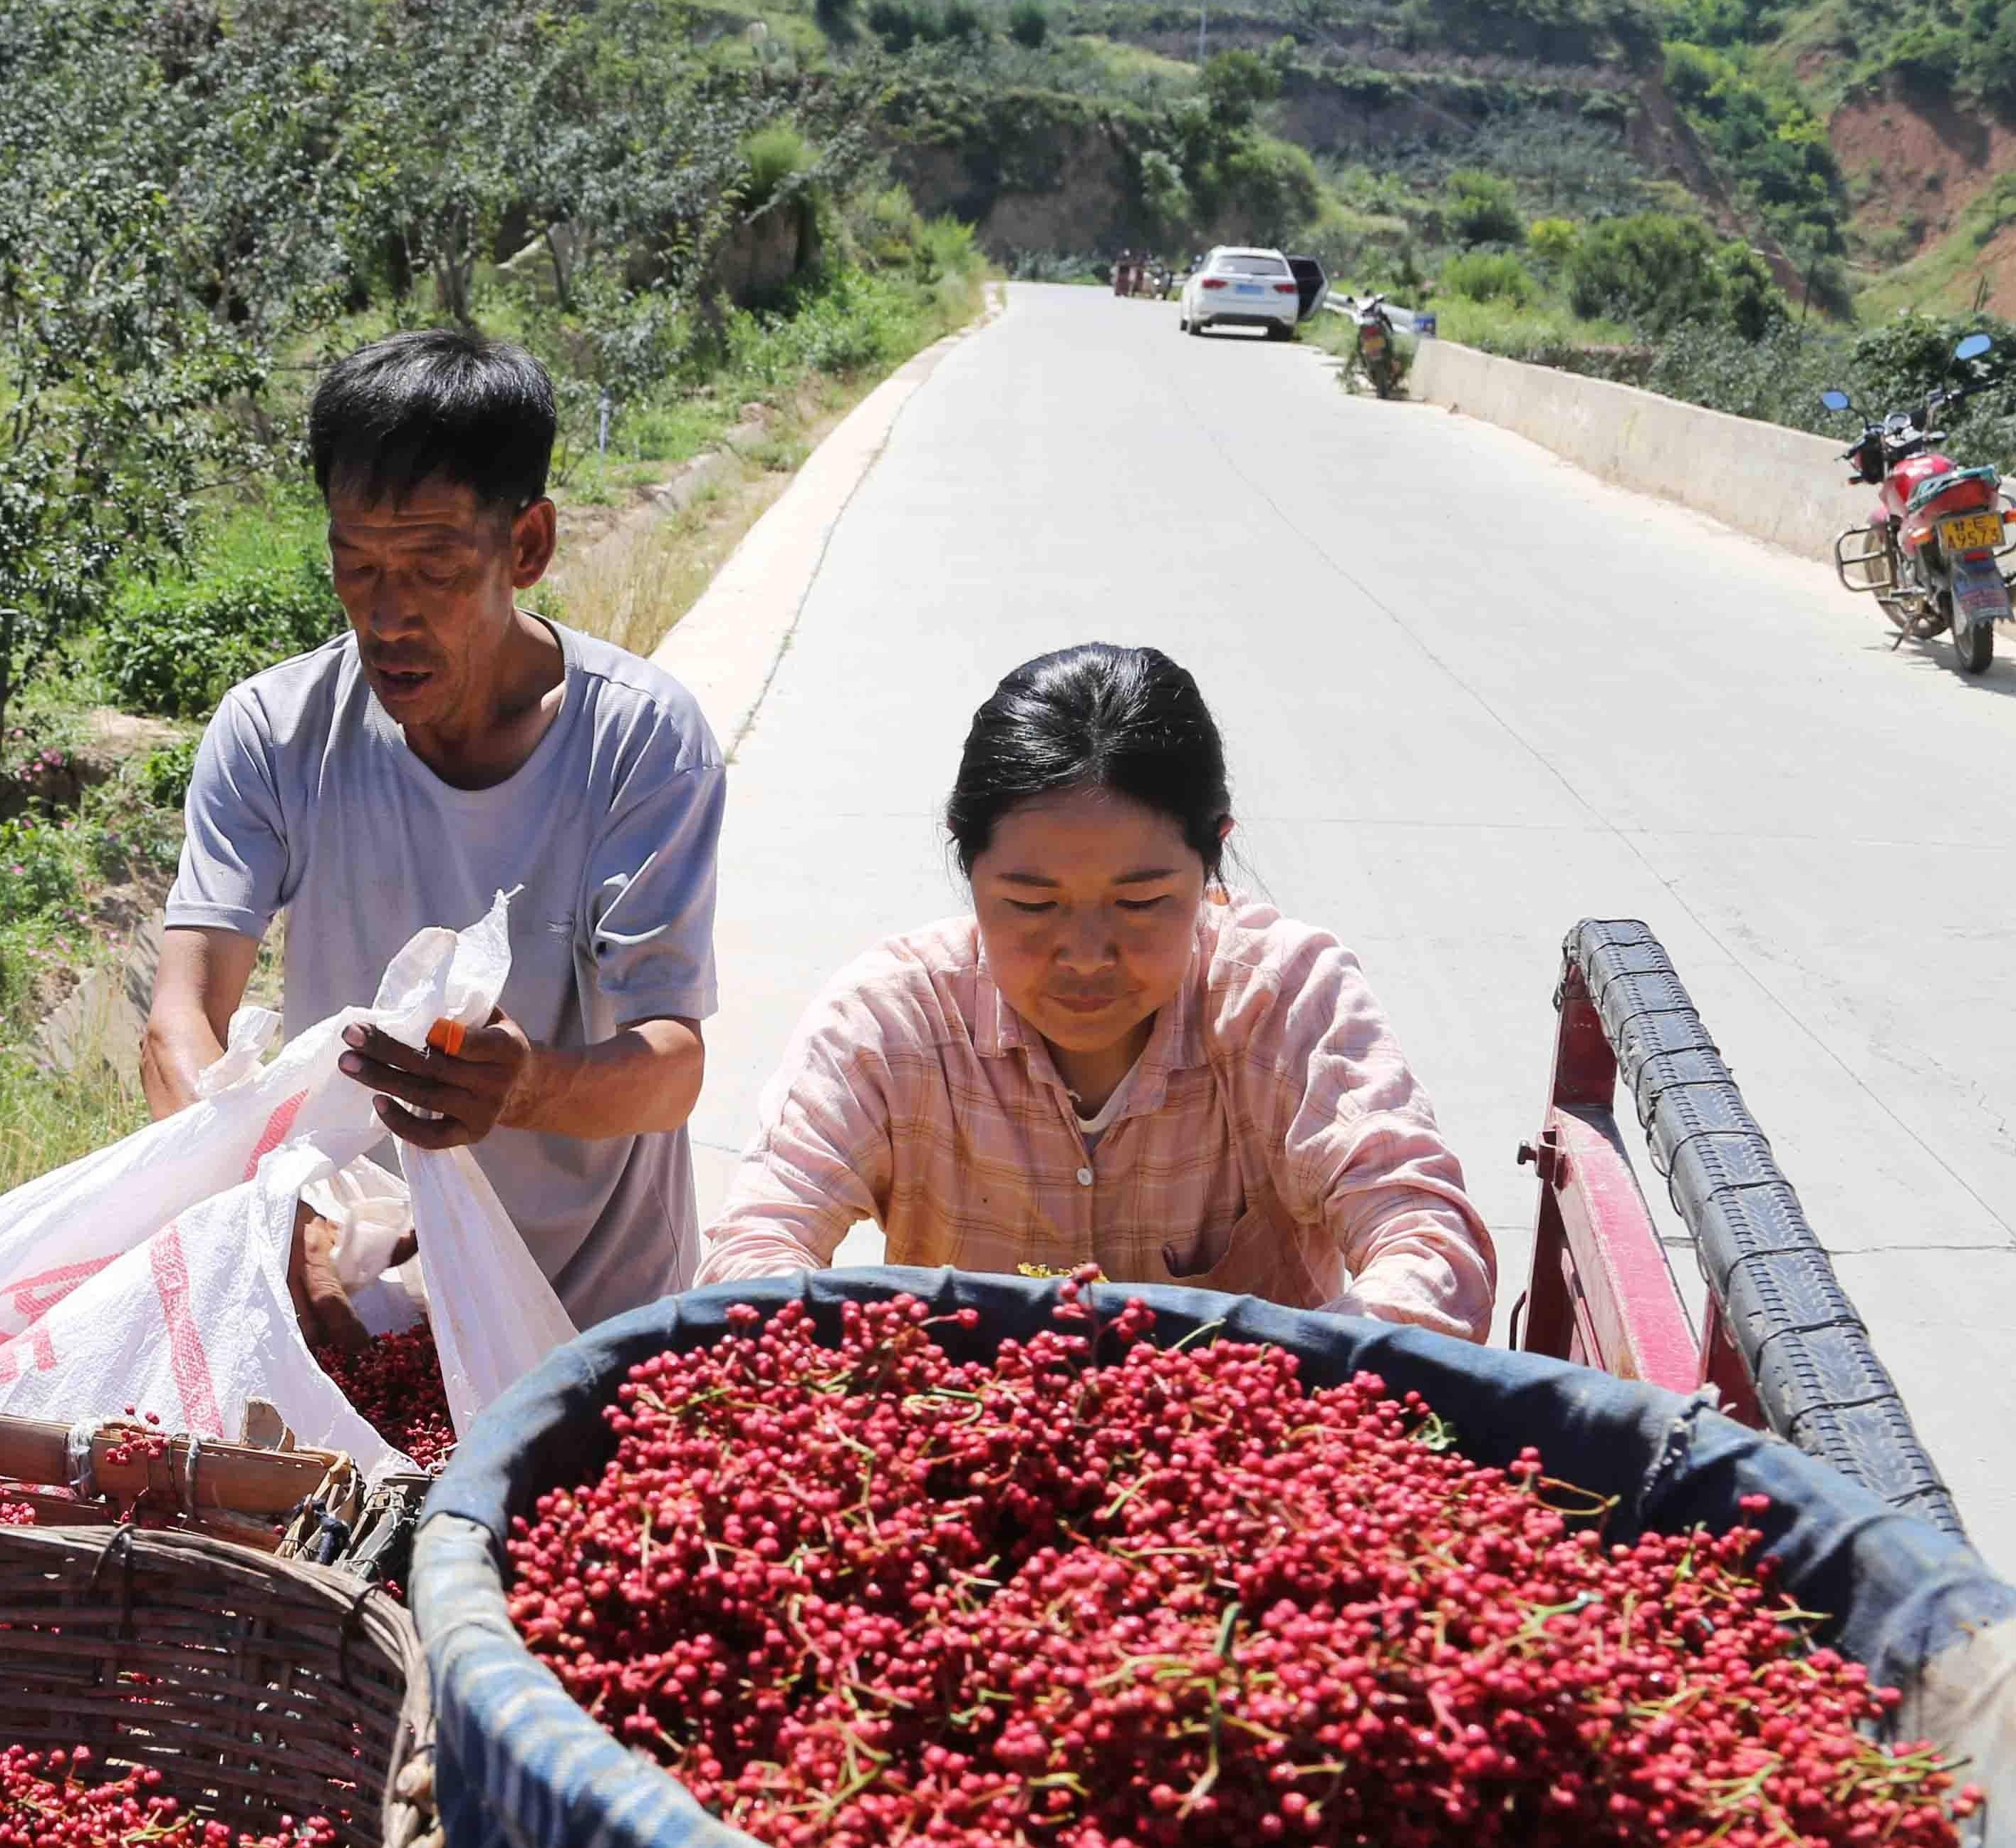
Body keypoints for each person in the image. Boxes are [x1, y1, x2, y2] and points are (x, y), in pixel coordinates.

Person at [147, 327, 725, 1349]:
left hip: (591, 1319)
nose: (389, 614)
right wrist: (275, 1214)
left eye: (433, 567)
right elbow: (181, 1018)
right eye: (356, 564)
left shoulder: (640, 739)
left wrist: (527, 1085)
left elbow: (672, 1067)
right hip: (363, 1308)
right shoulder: (275, 732)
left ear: (529, 548)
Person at [699, 641, 1492, 1336]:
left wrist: (1280, 1386)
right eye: (1031, 905)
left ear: (1212, 861)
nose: (1084, 956)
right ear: (966, 865)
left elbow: (1424, 1240)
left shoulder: (1283, 999)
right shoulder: (890, 1020)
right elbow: (758, 1244)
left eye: (1141, 903)